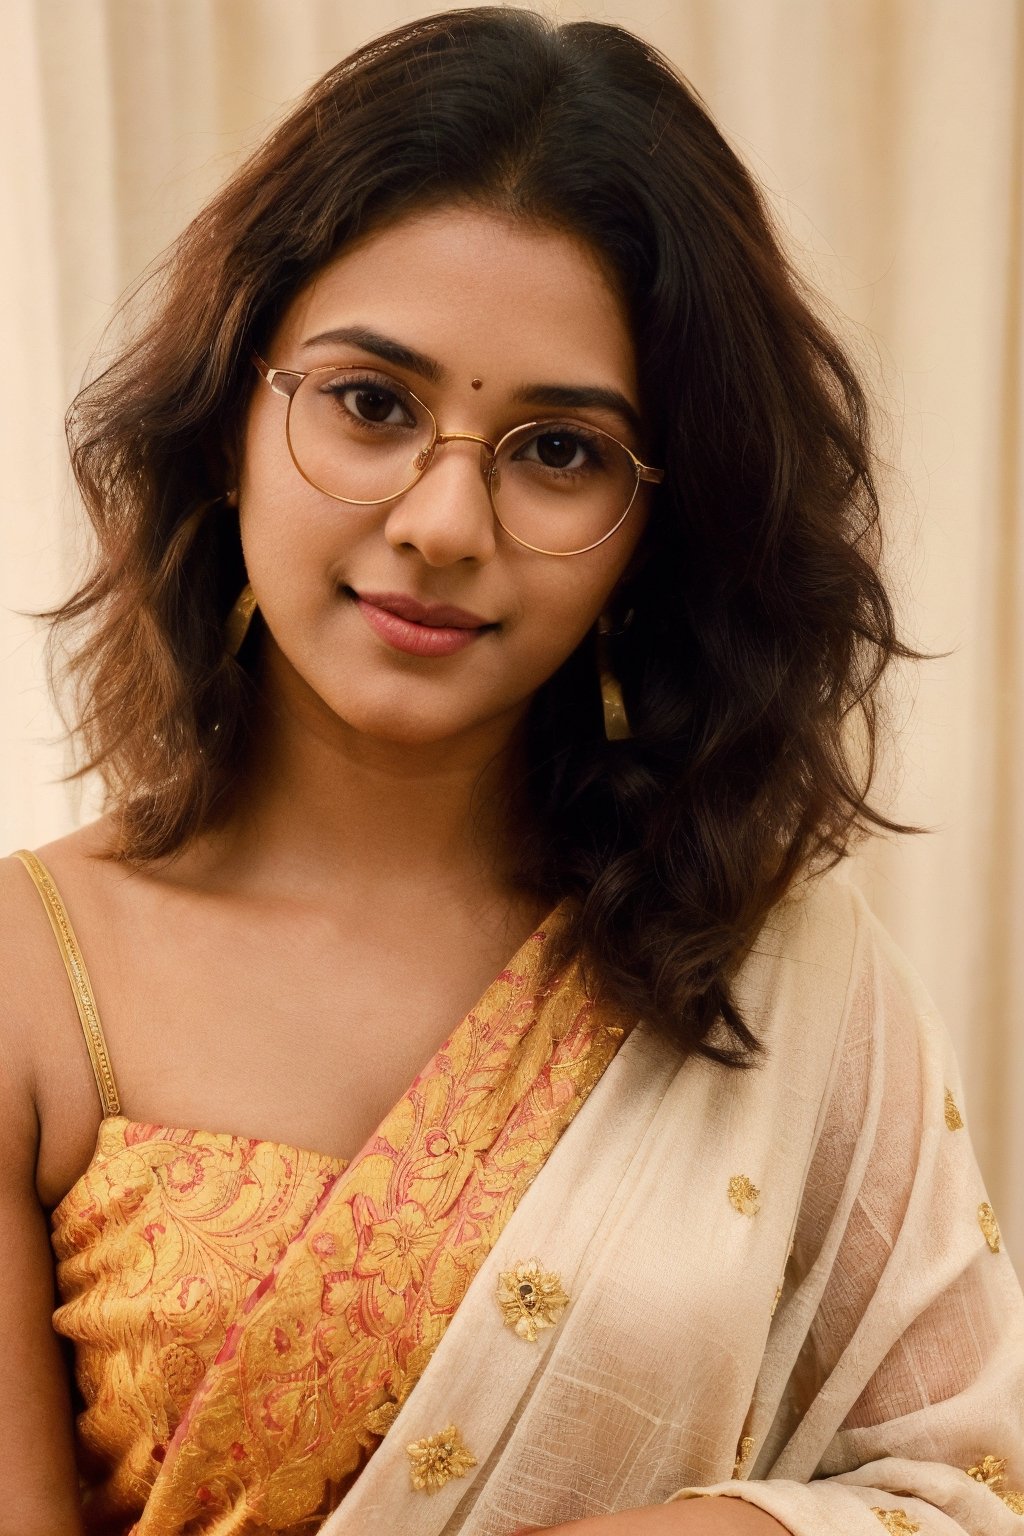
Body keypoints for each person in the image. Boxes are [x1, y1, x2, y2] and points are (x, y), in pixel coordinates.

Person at [2, 7, 1021, 1534]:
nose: (442, 521)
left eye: (559, 450)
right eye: (370, 403)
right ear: (231, 413)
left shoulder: (783, 981)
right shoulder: (33, 976)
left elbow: (965, 1487)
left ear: (651, 526)